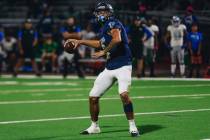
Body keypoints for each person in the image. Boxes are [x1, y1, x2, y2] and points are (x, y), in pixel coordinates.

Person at [64, 2, 139, 137]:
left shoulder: (113, 23)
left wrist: (103, 51)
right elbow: (99, 43)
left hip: (123, 65)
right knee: (93, 97)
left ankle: (133, 126)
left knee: (124, 95)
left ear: (110, 13)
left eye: (104, 12)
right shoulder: (104, 27)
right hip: (110, 67)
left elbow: (117, 39)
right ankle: (94, 126)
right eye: (99, 12)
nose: (101, 14)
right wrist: (80, 41)